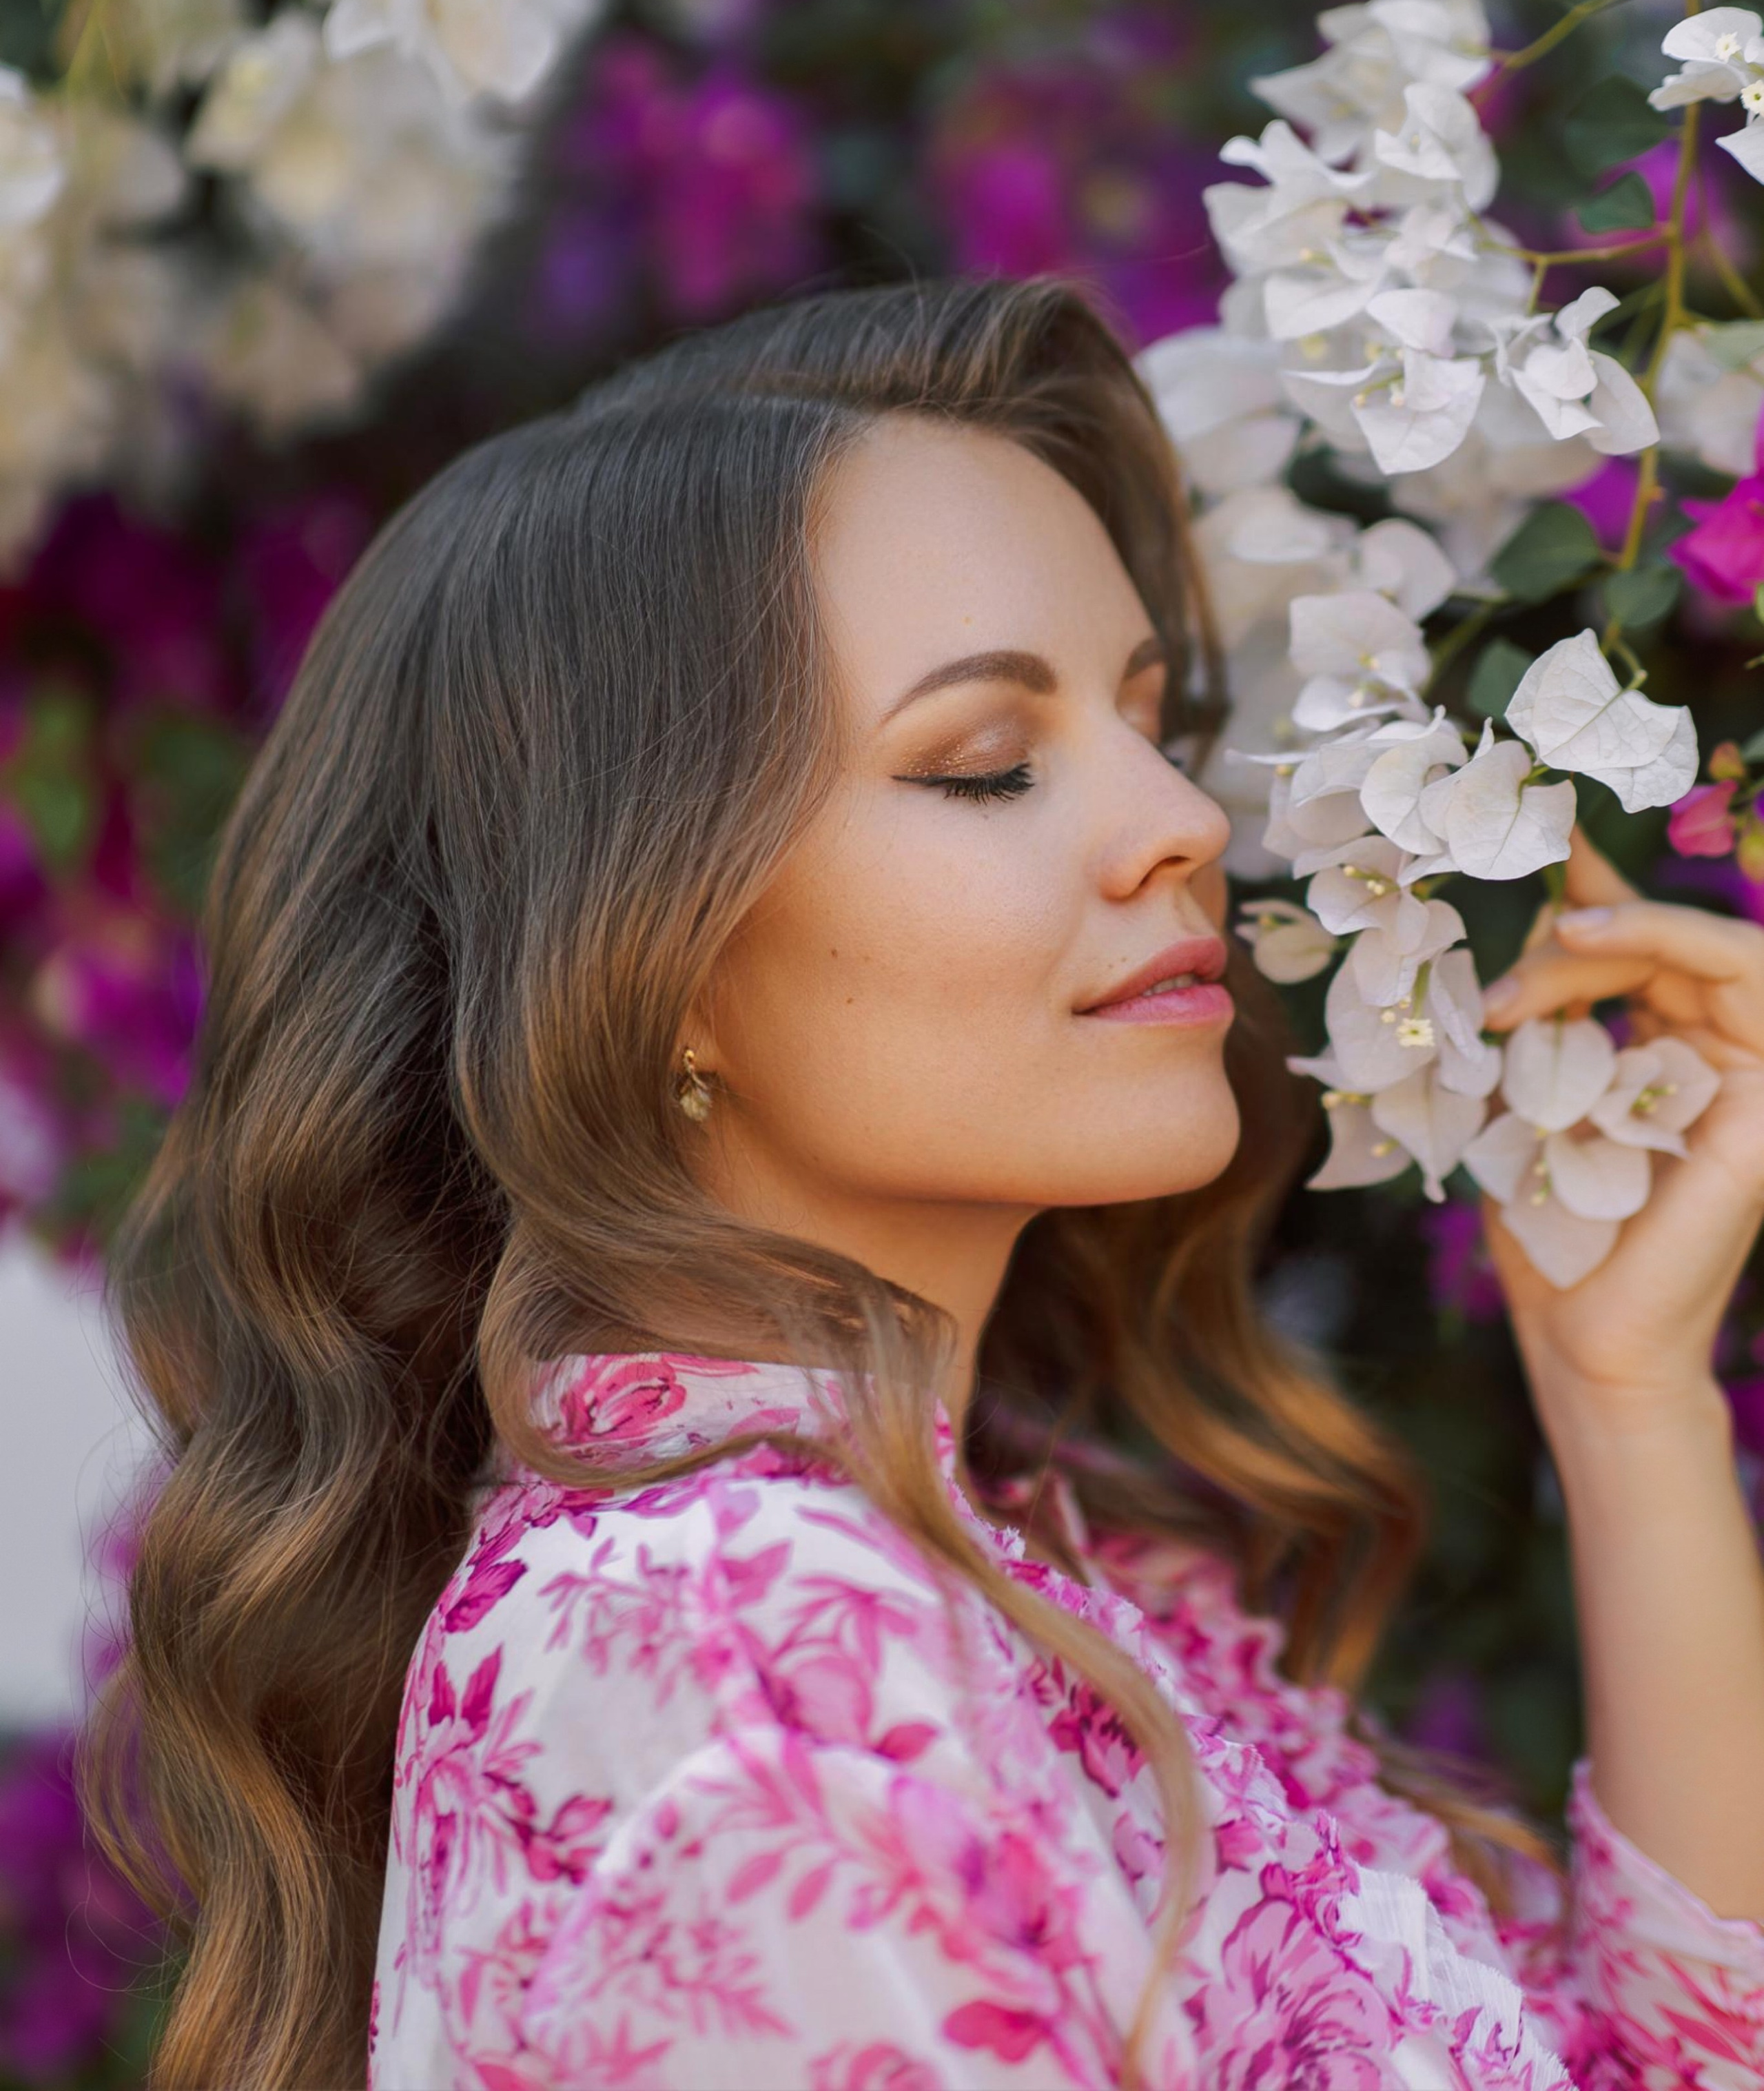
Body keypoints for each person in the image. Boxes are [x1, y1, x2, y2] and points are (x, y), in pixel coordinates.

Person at [87, 281, 1764, 2090]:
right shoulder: (726, 1634)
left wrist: (1627, 1397)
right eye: (986, 764)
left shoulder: (1028, 1587)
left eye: (1151, 724)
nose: (1185, 823)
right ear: (647, 972)